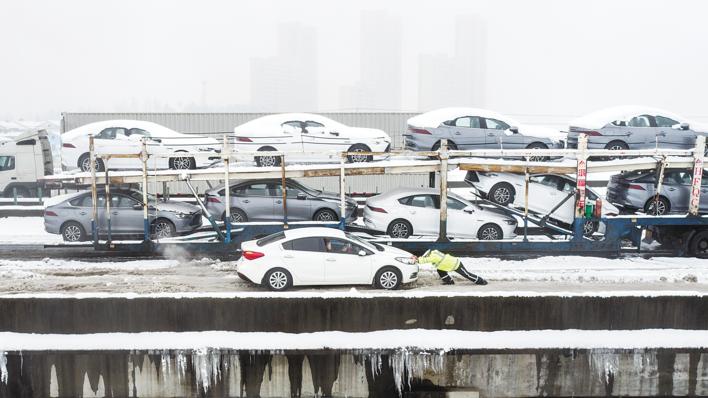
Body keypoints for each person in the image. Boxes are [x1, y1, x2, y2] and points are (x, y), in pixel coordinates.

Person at [415, 249, 487, 285]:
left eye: (426, 255)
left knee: (467, 274)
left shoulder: (433, 257)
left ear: (428, 255)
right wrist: (418, 258)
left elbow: (425, 260)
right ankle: (449, 282)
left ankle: (481, 281)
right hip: (448, 265)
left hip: (456, 264)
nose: (426, 256)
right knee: (440, 271)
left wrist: (417, 260)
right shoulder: (434, 252)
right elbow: (425, 258)